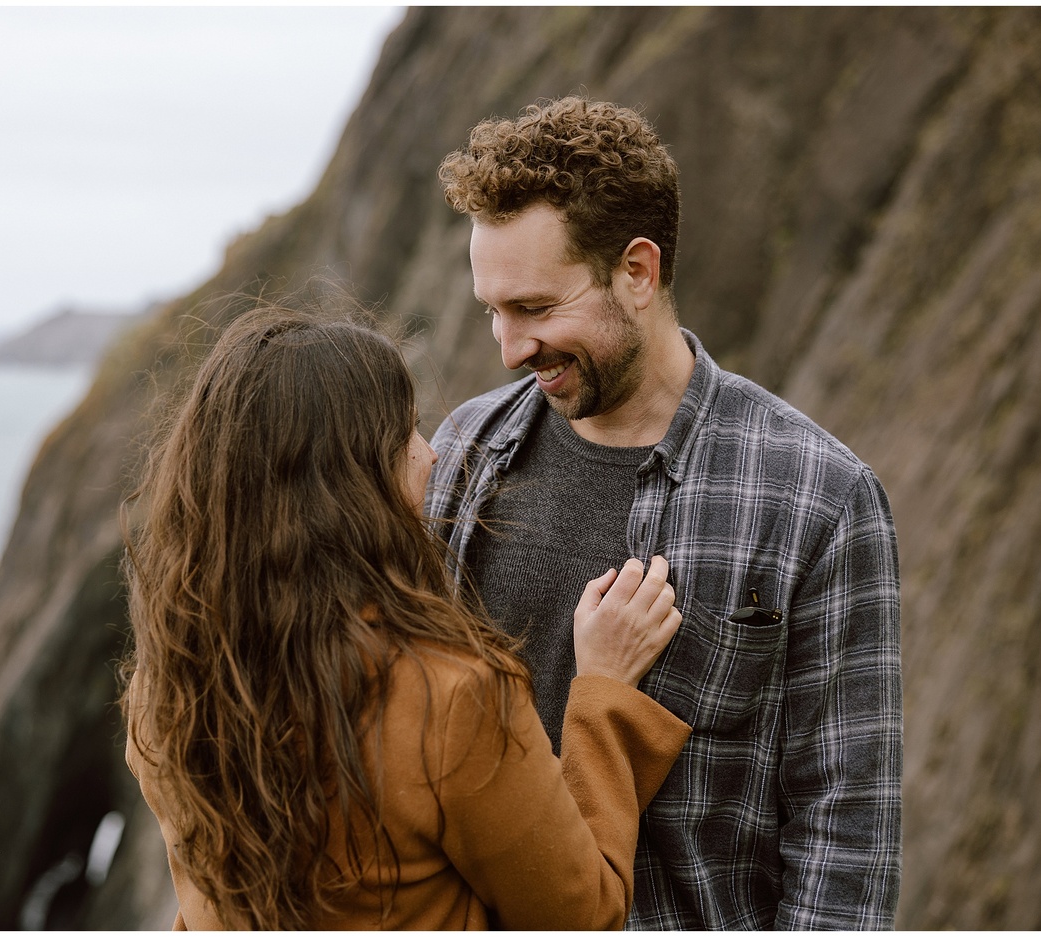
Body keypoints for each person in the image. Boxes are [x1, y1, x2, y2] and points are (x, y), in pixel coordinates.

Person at [429, 96, 902, 929]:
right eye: (492, 311)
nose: (508, 348)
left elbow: (846, 841)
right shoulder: (461, 454)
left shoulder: (819, 496)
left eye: (536, 308)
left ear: (638, 273)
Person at [119, 305, 691, 930]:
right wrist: (605, 690)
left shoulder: (167, 688)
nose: (431, 455)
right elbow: (582, 914)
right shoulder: (450, 698)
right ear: (351, 481)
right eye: (407, 433)